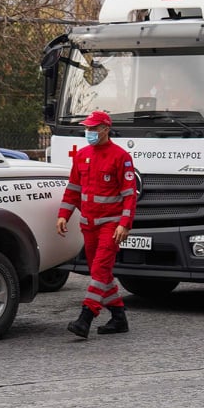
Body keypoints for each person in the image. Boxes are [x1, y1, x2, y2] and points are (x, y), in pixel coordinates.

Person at [56, 111, 137, 339]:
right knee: (99, 272)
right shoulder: (81, 156)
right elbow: (73, 189)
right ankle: (119, 316)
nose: (89, 132)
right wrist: (63, 214)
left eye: (93, 128)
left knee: (100, 269)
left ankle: (86, 317)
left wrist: (125, 224)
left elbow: (130, 195)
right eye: (88, 128)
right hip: (88, 225)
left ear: (105, 129)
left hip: (111, 225)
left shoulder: (121, 157)